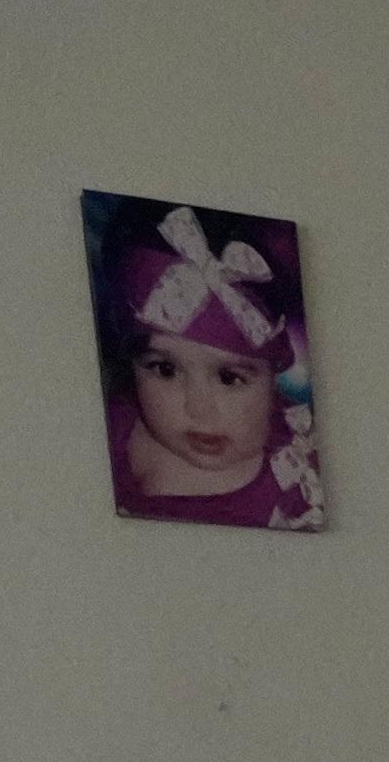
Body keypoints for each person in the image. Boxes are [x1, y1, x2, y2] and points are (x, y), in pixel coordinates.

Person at [98, 204, 325, 529]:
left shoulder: (295, 493)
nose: (200, 409)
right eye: (164, 369)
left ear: (274, 374)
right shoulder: (114, 421)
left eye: (230, 378)